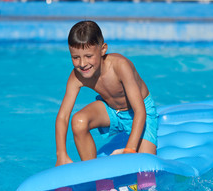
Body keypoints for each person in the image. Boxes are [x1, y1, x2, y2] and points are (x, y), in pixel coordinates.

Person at [55, 20, 159, 166]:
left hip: (141, 112)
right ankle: (91, 170)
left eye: (88, 56)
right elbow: (63, 117)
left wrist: (129, 150)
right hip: (111, 110)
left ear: (103, 49)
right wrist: (61, 154)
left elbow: (140, 110)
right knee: (78, 121)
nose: (82, 63)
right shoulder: (76, 76)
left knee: (144, 166)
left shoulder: (120, 66)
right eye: (76, 57)